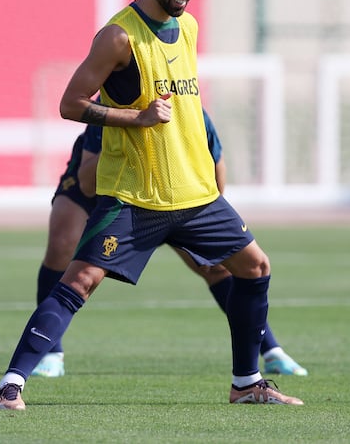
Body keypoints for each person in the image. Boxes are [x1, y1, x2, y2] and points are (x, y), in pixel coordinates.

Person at [0, 0, 303, 409]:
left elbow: (185, 110)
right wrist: (133, 118)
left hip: (194, 194)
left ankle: (246, 382)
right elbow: (70, 104)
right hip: (137, 197)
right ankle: (12, 383)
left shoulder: (189, 29)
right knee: (79, 280)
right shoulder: (118, 36)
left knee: (255, 266)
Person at [31, 112, 308, 378]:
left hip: (171, 195)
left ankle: (271, 350)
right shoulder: (110, 105)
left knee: (216, 266)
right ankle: (50, 353)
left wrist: (204, 227)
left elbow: (216, 176)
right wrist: (129, 133)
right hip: (111, 191)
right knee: (63, 245)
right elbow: (87, 184)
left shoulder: (193, 112)